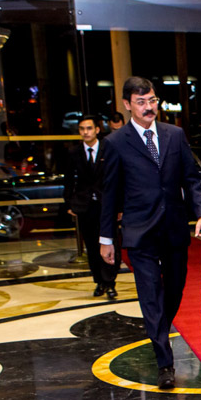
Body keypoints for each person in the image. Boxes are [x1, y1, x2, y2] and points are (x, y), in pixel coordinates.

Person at [99, 77, 201, 389]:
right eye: (141, 102)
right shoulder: (116, 143)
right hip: (139, 231)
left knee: (173, 291)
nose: (148, 108)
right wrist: (106, 238)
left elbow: (191, 179)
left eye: (152, 100)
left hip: (173, 227)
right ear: (126, 105)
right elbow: (110, 194)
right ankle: (165, 362)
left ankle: (159, 328)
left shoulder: (174, 135)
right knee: (151, 296)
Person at [64, 114, 120, 299]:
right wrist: (70, 204)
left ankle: (110, 282)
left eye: (89, 128)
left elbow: (119, 179)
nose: (85, 132)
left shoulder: (109, 149)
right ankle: (99, 282)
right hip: (85, 206)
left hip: (108, 205)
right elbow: (69, 180)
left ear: (97, 130)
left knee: (111, 244)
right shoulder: (74, 153)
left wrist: (120, 206)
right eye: (82, 129)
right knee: (91, 246)